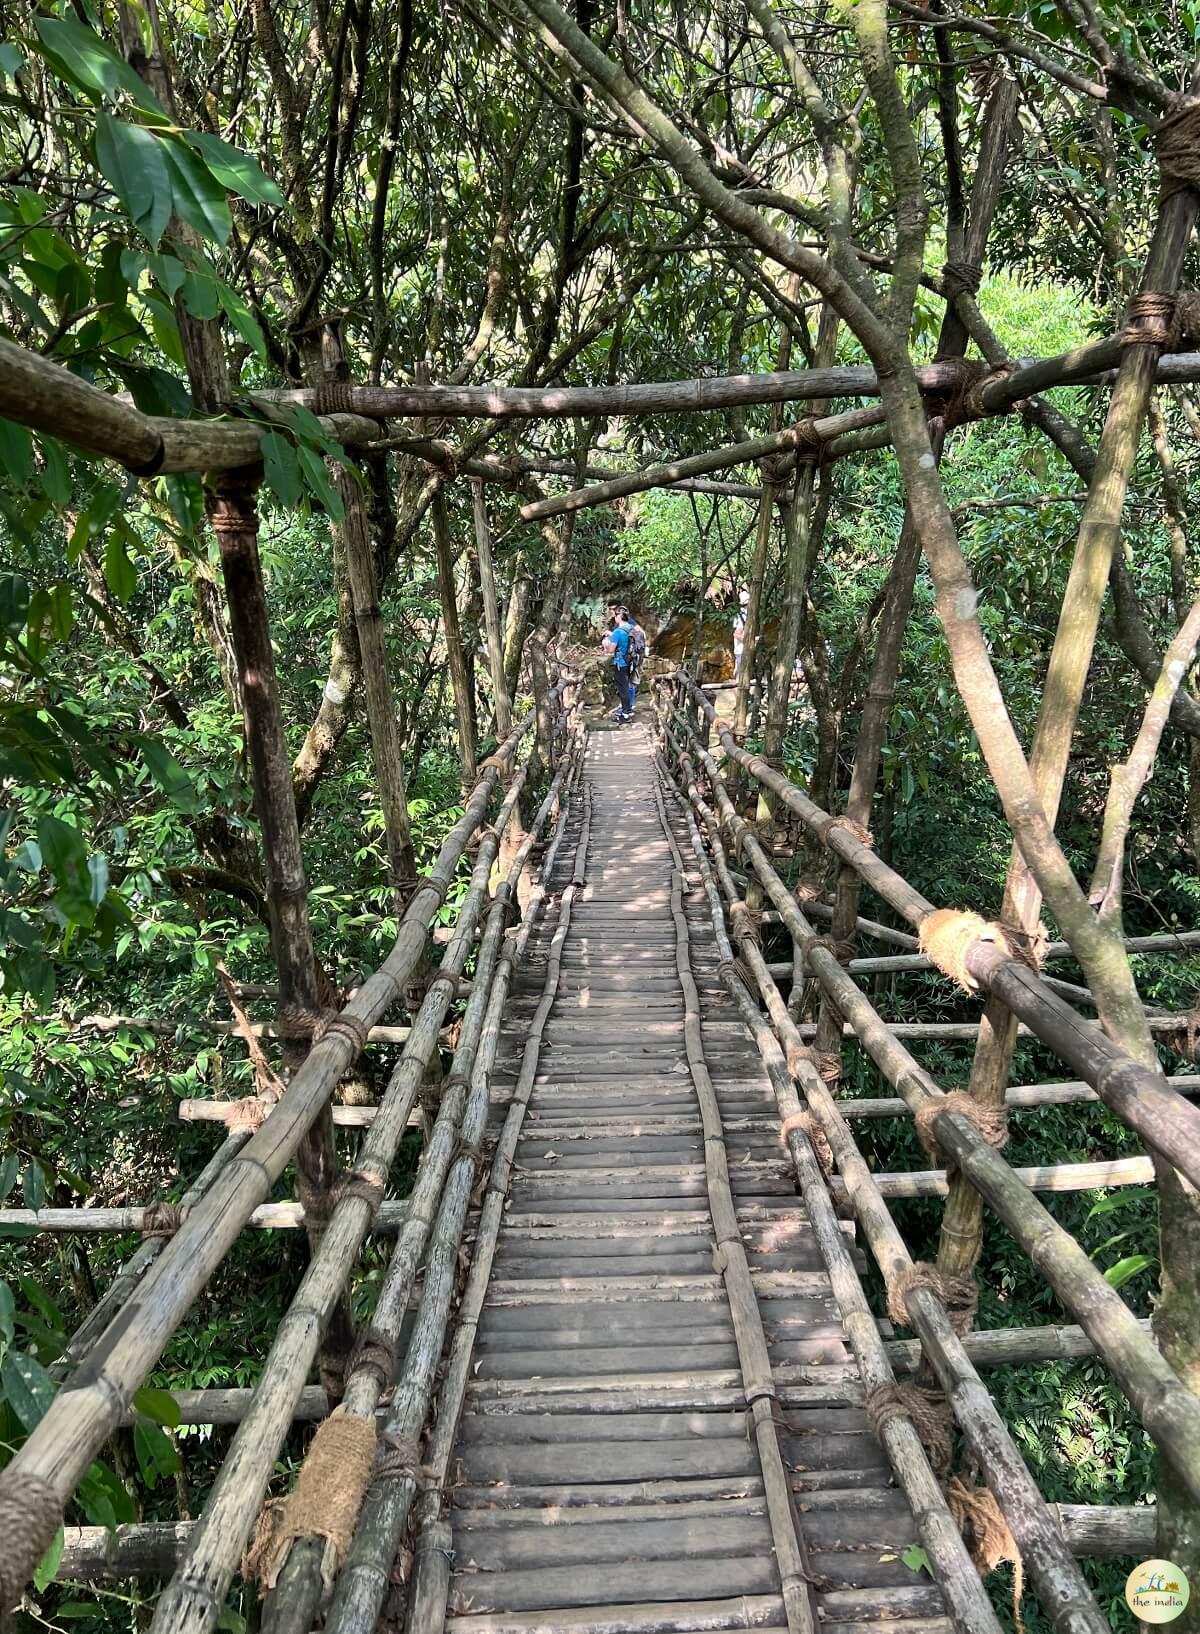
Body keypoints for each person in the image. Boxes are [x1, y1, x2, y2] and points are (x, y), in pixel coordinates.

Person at [601, 611, 633, 722]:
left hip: (620, 663)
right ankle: (628, 710)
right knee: (627, 686)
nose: (614, 617)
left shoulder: (618, 632)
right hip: (629, 661)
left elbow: (611, 649)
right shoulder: (630, 629)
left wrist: (606, 644)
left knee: (623, 689)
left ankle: (626, 714)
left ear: (619, 617)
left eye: (615, 615)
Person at [624, 610, 647, 708]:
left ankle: (628, 705)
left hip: (629, 658)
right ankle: (631, 703)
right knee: (632, 681)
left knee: (628, 682)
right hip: (636, 658)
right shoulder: (636, 629)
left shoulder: (626, 629)